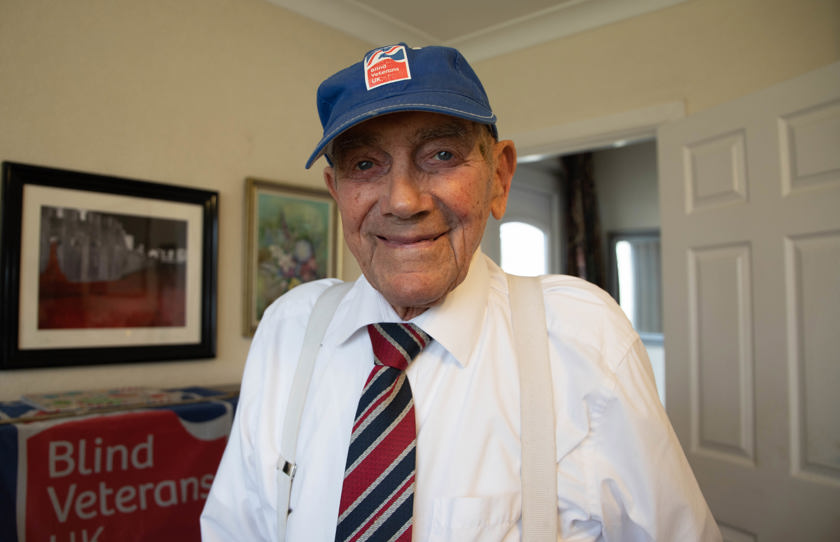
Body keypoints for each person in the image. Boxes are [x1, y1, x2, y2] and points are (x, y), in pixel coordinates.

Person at [201, 43, 721, 541]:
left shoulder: (580, 337)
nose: (403, 201)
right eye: (365, 164)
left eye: (441, 154)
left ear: (498, 176)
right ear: (337, 192)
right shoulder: (290, 328)